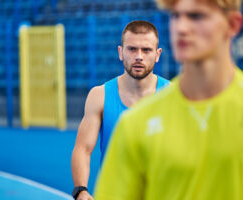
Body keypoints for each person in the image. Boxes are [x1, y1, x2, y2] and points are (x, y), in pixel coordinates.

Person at [94, 0, 243, 199]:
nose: (181, 27)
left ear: (233, 24)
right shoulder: (134, 123)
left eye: (196, 16)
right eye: (175, 16)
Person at [71, 20, 170, 200]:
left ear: (157, 54)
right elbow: (83, 149)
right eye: (132, 49)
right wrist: (81, 190)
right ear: (120, 52)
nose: (139, 56)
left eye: (146, 50)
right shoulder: (99, 95)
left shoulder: (173, 96)